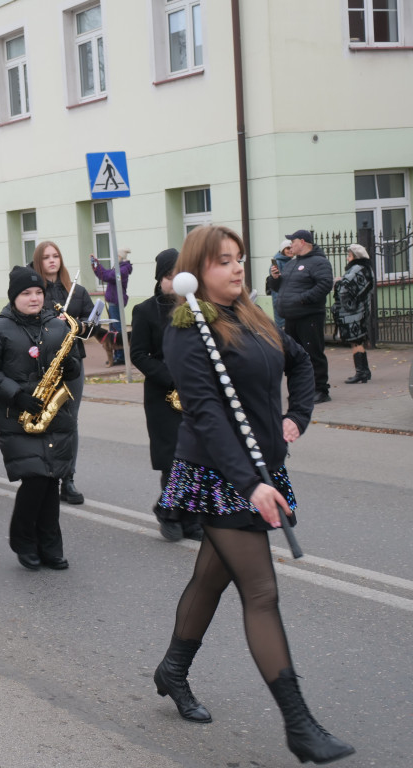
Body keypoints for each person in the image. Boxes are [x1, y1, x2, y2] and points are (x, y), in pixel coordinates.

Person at [153, 225, 354, 765]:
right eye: (223, 261)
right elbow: (206, 414)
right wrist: (250, 484)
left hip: (261, 468)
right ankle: (299, 726)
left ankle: (172, 670)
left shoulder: (252, 315)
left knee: (210, 578)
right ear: (198, 269)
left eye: (239, 258)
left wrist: (298, 416)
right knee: (260, 592)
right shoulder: (188, 329)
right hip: (221, 475)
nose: (237, 268)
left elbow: (301, 361)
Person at [0, 266, 79, 572]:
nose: (34, 298)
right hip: (17, 415)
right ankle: (23, 540)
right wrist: (16, 394)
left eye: (38, 292)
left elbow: (67, 361)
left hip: (53, 413)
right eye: (26, 293)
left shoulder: (57, 326)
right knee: (35, 479)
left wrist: (71, 367)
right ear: (14, 297)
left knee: (50, 481)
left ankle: (50, 546)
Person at [129, 248, 201, 542]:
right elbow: (138, 354)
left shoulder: (199, 306)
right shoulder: (145, 310)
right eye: (169, 276)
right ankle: (169, 512)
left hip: (196, 391)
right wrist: (171, 378)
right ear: (160, 279)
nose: (175, 282)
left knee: (197, 457)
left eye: (180, 275)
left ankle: (192, 520)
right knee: (173, 457)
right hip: (163, 394)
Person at [32, 241, 93, 505]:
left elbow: (91, 325)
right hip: (43, 365)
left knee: (70, 421)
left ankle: (68, 478)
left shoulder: (75, 291)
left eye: (56, 255)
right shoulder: (34, 292)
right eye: (46, 257)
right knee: (44, 419)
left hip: (72, 363)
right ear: (39, 261)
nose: (52, 261)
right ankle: (46, 474)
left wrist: (77, 324)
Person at [267, 229, 333, 403]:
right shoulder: (291, 263)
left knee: (313, 354)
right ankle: (300, 390)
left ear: (302, 242)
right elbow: (279, 287)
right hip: (291, 317)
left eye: (293, 241)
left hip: (309, 316)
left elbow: (325, 284)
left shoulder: (319, 262)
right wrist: (274, 278)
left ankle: (321, 390)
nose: (290, 245)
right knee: (294, 356)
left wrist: (303, 299)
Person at [333, 243, 376, 384]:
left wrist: (338, 282)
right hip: (362, 309)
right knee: (359, 340)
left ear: (356, 257)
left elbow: (345, 289)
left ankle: (361, 372)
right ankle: (365, 371)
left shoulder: (357, 269)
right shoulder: (367, 268)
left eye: (349, 255)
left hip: (353, 312)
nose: (347, 258)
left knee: (355, 340)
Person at [91, 248, 133, 365]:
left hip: (116, 301)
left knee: (117, 329)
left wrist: (96, 264)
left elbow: (107, 275)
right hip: (114, 301)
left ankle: (120, 357)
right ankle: (117, 356)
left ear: (120, 257)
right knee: (114, 329)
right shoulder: (119, 268)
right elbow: (104, 274)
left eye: (117, 256)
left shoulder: (122, 270)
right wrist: (95, 263)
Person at [265, 240, 293, 330]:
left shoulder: (291, 261)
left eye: (292, 247)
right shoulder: (277, 263)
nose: (290, 250)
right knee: (282, 327)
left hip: (290, 298)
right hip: (280, 299)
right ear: (282, 250)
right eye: (288, 248)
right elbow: (276, 283)